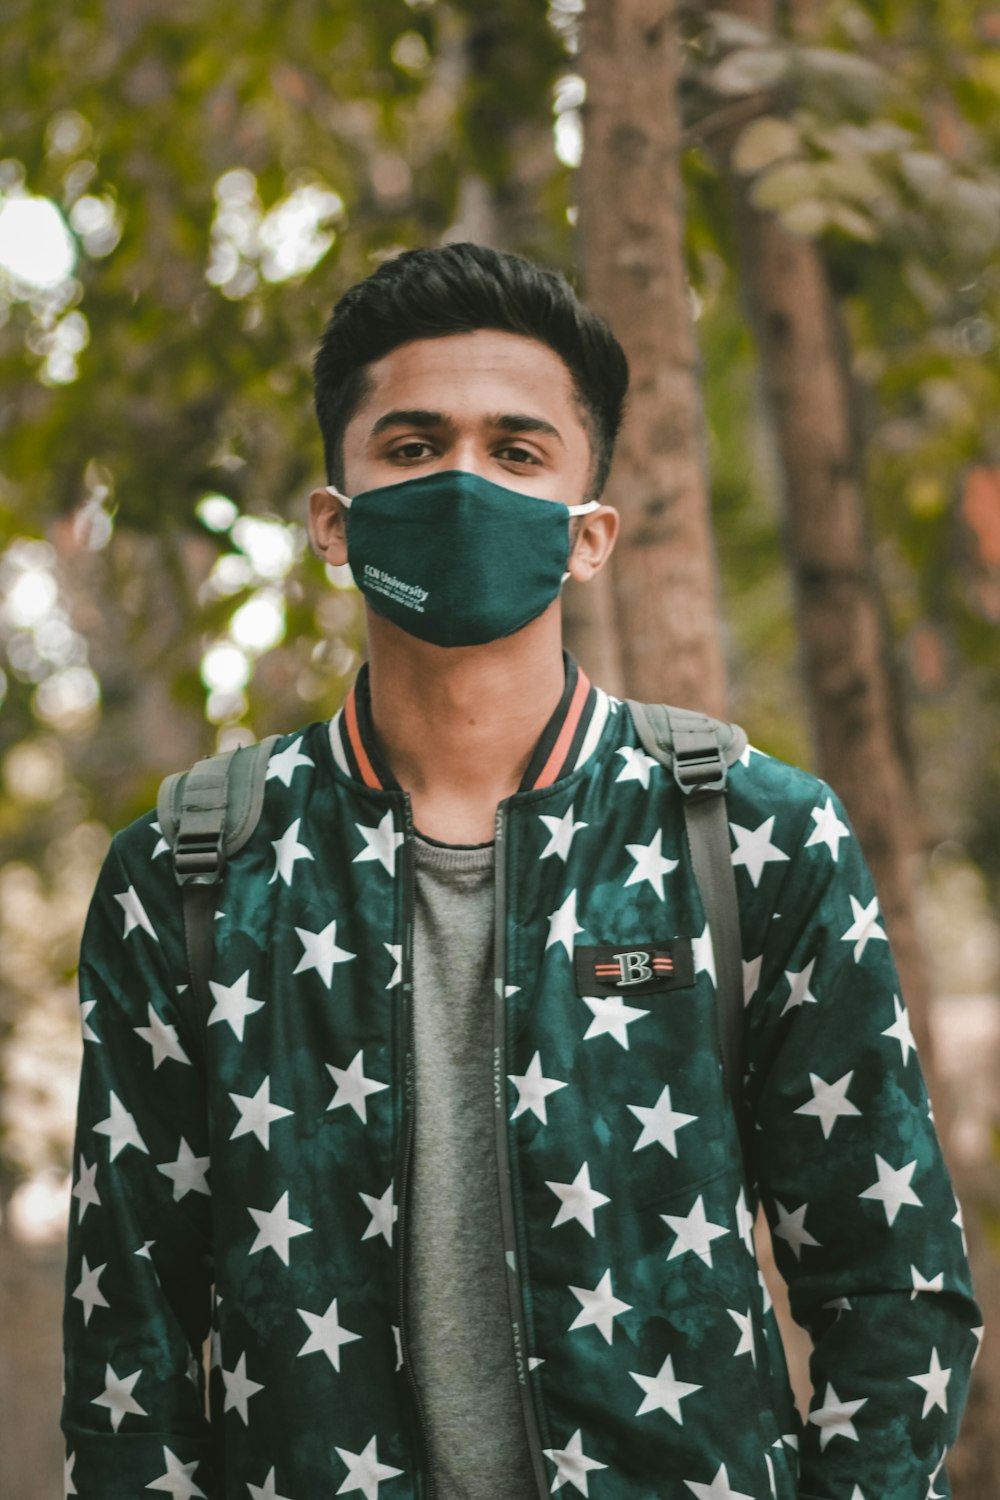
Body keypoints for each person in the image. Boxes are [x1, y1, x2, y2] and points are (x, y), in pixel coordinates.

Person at [62, 243, 980, 1500]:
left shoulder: (757, 835)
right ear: (334, 521)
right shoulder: (189, 870)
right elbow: (131, 1336)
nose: (461, 482)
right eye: (411, 445)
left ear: (588, 535)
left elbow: (891, 1282)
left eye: (516, 451)